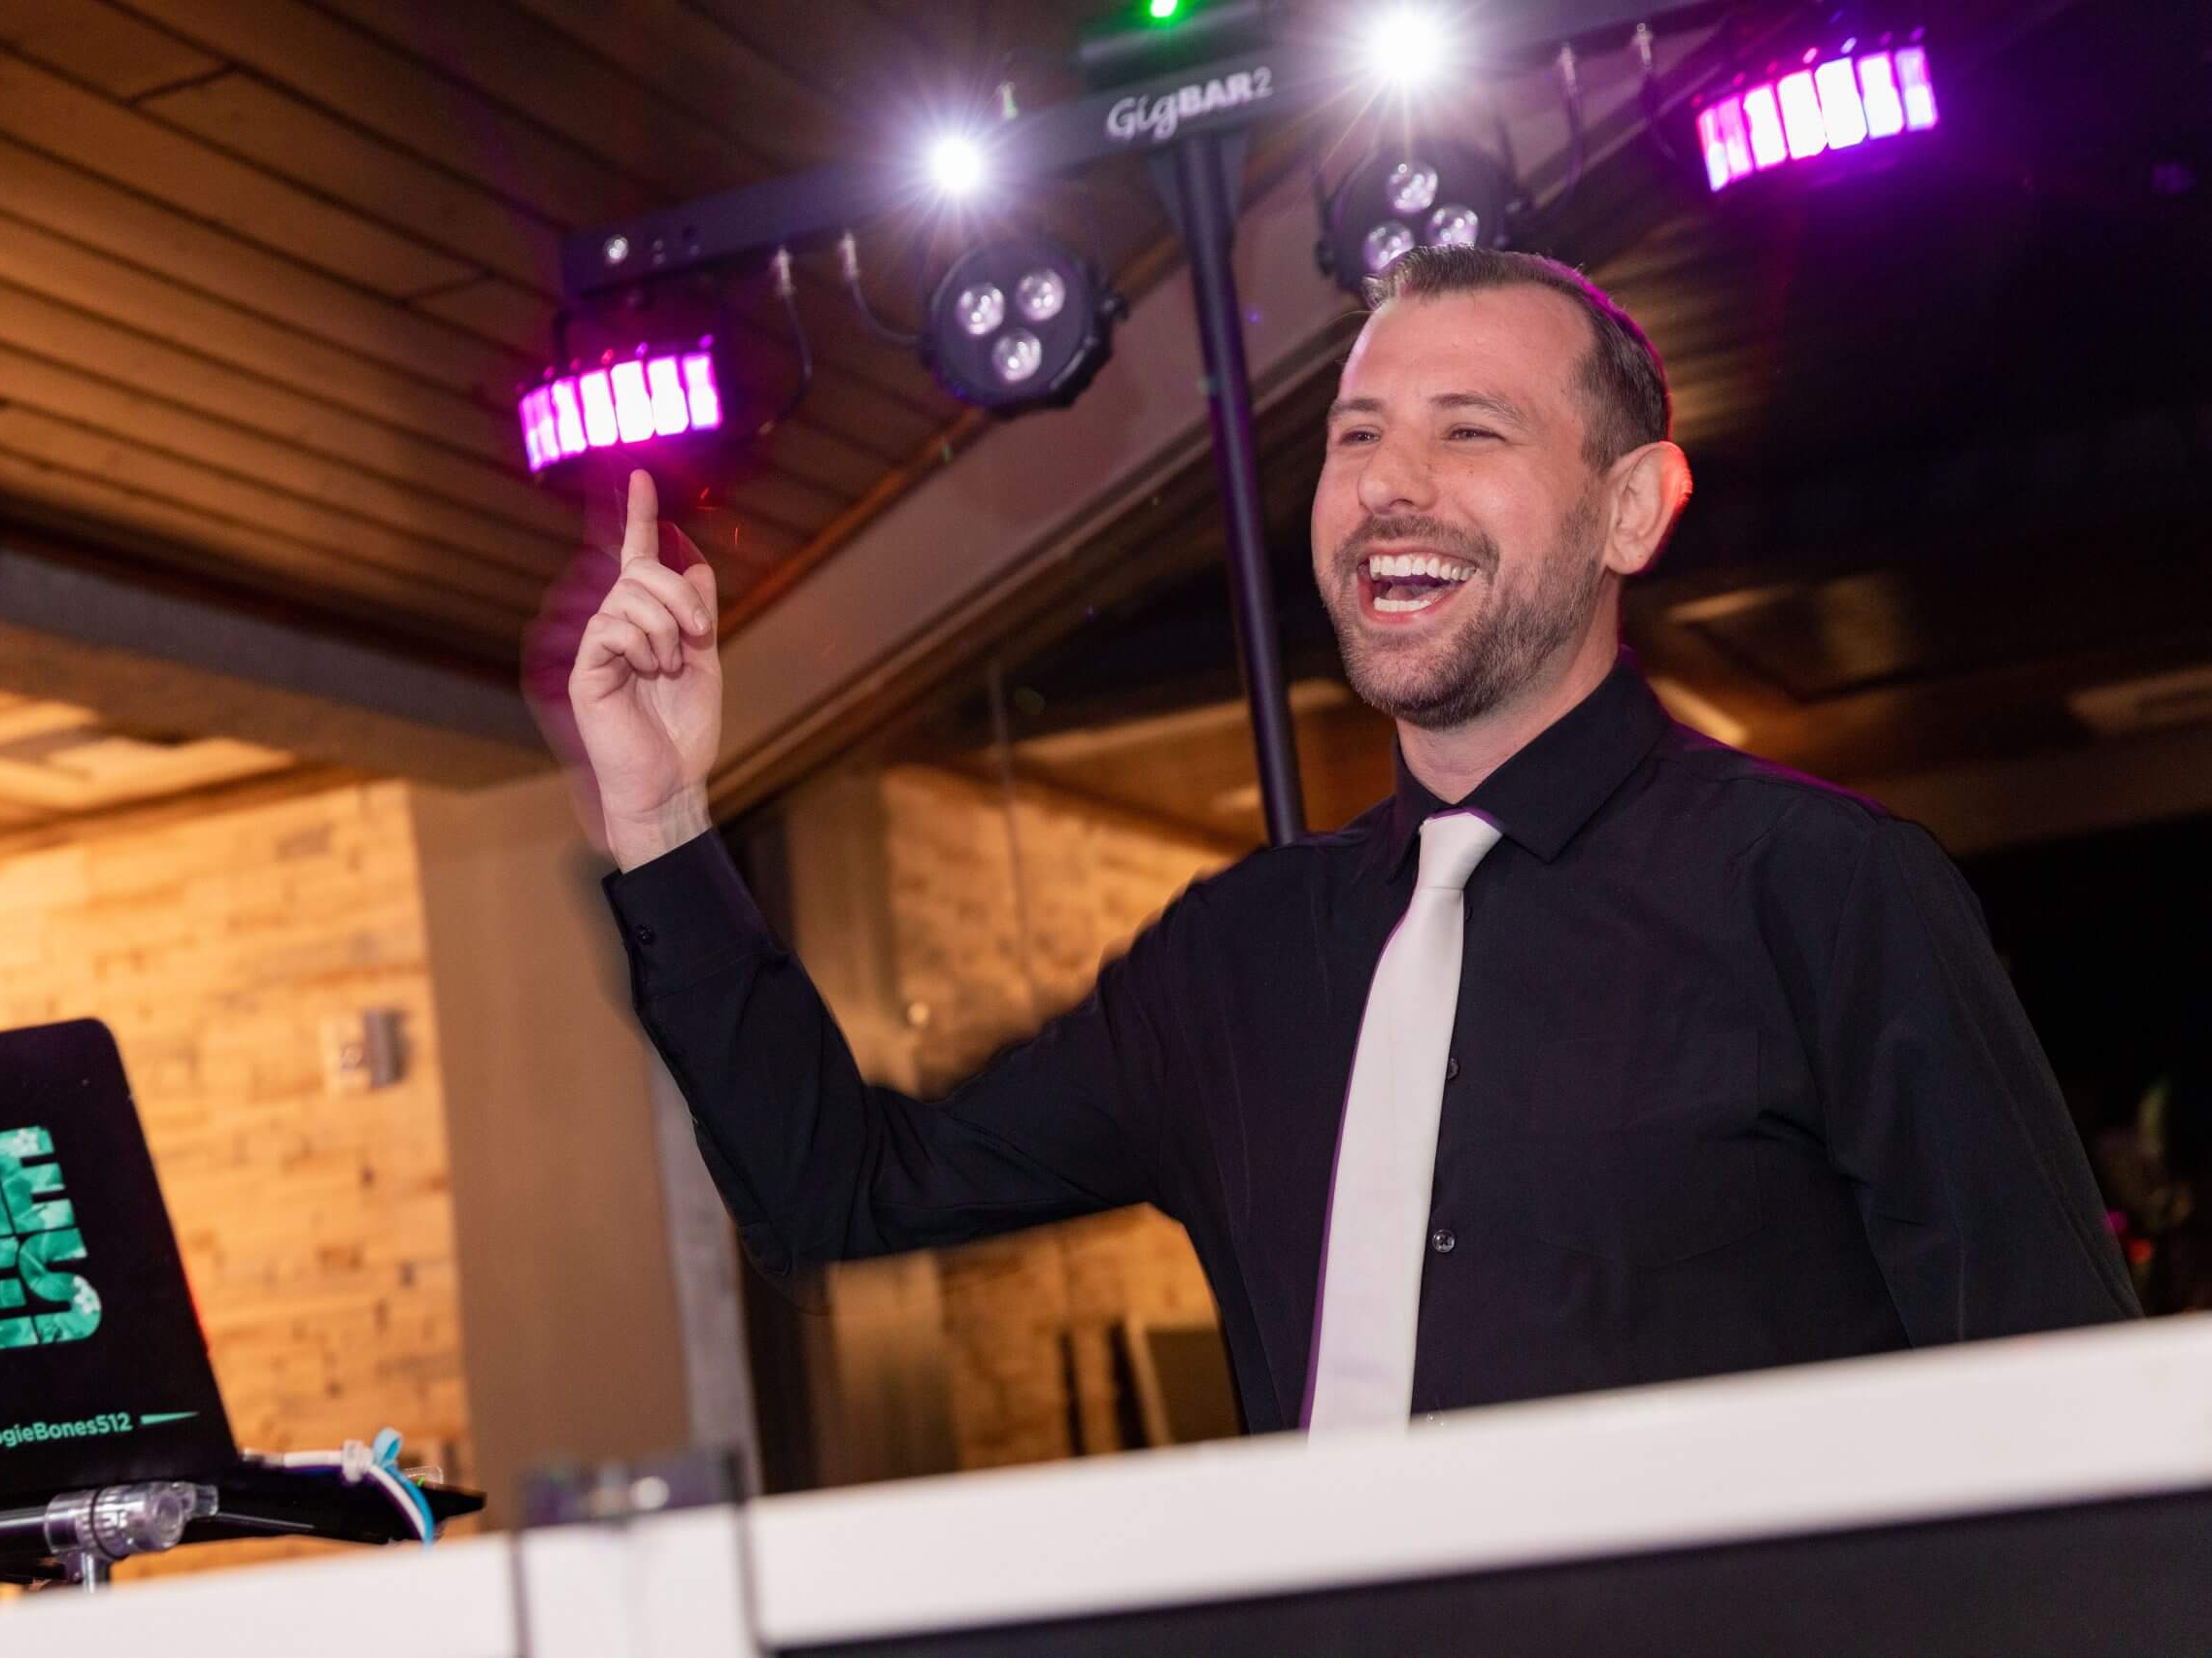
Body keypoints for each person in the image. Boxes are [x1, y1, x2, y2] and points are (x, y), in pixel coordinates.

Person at [534, 246, 2138, 1438]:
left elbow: (2066, 1414)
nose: (1389, 488)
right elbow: (844, 1191)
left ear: (1634, 511)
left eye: (1472, 433)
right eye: (1358, 435)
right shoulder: (1237, 961)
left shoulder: (1828, 895)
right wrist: (664, 817)